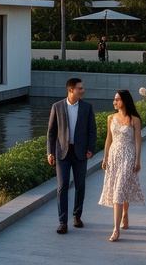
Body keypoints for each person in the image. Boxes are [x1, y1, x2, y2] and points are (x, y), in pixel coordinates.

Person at [47, 77, 97, 234]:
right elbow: (51, 132)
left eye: (82, 88)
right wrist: (50, 152)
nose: (82, 91)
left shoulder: (87, 108)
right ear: (70, 90)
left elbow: (92, 130)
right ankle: (62, 222)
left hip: (80, 152)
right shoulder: (57, 107)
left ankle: (77, 216)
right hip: (62, 153)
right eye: (79, 88)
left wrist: (90, 148)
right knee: (62, 187)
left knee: (80, 185)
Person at [98, 89, 144, 242]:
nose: (114, 102)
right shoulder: (111, 118)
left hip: (128, 157)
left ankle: (116, 229)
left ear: (124, 100)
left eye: (117, 99)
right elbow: (108, 140)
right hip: (113, 156)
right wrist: (105, 158)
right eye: (114, 99)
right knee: (118, 188)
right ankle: (124, 214)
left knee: (119, 189)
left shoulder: (134, 120)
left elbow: (138, 141)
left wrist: (137, 160)